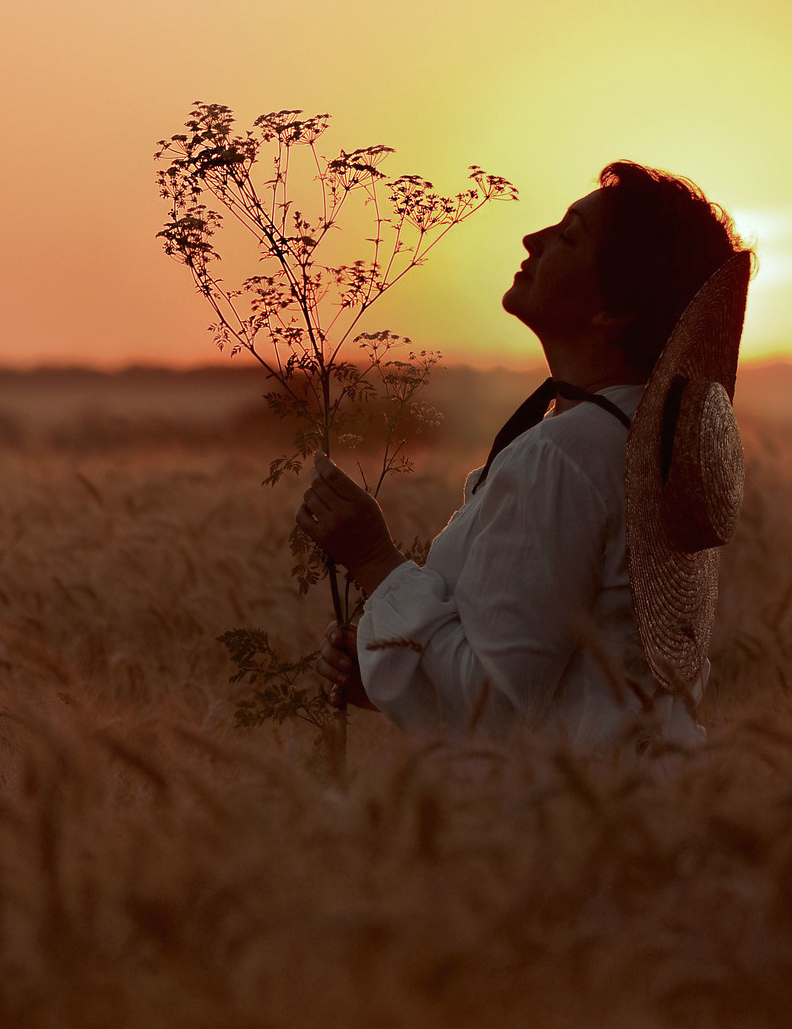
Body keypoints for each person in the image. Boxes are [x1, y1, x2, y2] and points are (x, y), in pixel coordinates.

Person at [293, 161, 749, 749]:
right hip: (637, 814)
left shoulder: (563, 457)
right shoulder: (647, 438)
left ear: (613, 310)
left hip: (581, 829)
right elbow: (565, 685)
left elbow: (498, 709)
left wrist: (373, 559)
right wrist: (388, 678)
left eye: (567, 237)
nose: (533, 241)